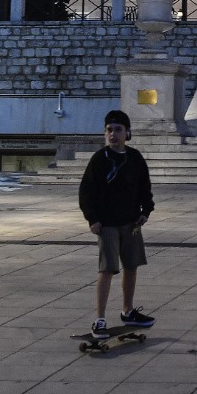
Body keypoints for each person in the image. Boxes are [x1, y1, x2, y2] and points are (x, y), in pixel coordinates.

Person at [79, 109, 155, 339]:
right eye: (109, 130)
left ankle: (128, 311)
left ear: (127, 132)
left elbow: (144, 187)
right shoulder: (99, 159)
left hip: (131, 222)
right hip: (108, 224)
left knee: (131, 266)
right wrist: (92, 218)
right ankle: (100, 319)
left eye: (118, 130)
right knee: (107, 269)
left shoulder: (135, 158)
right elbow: (86, 191)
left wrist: (146, 211)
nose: (113, 134)